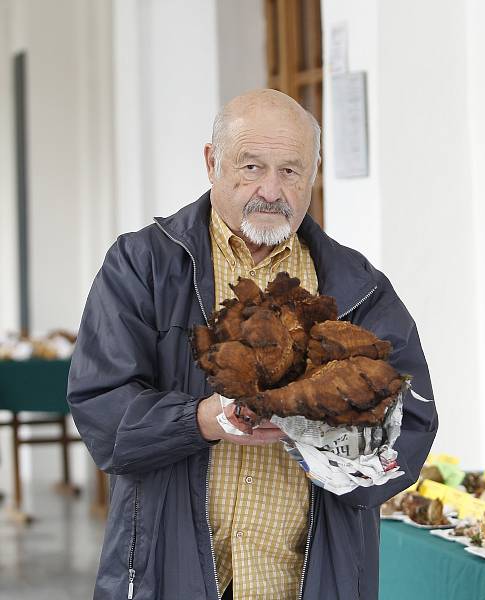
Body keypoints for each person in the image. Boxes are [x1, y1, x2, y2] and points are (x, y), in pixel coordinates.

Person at [67, 89, 438, 600]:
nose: (271, 189)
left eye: (291, 171)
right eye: (251, 166)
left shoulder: (358, 287)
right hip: (166, 575)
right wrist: (202, 419)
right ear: (211, 162)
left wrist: (331, 436)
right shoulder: (143, 266)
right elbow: (100, 407)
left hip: (309, 580)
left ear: (314, 172)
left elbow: (411, 420)